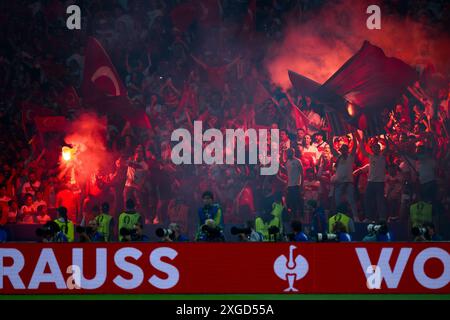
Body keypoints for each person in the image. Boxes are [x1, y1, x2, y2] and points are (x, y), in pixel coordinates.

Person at [358, 134, 388, 221]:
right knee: (367, 199)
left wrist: (385, 137)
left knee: (380, 201)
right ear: (372, 149)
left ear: (379, 148)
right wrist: (363, 138)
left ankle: (382, 218)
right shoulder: (370, 156)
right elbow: (362, 150)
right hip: (370, 182)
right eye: (374, 148)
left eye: (377, 147)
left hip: (380, 182)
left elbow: (388, 147)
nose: (375, 149)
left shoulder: (382, 156)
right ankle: (368, 217)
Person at [329, 132, 358, 219]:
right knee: (338, 201)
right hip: (339, 182)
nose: (344, 150)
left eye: (345, 149)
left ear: (347, 150)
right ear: (341, 150)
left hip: (349, 182)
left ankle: (356, 217)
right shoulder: (338, 157)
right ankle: (339, 217)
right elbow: (332, 148)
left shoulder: (351, 156)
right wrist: (331, 137)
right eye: (342, 149)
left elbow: (355, 147)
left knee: (351, 201)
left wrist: (354, 135)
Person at [285, 148, 304, 220]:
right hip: (290, 186)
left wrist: (301, 185)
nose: (288, 154)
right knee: (291, 204)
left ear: (293, 153)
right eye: (287, 153)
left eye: (289, 153)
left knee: (297, 203)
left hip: (296, 185)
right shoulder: (287, 162)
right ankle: (293, 219)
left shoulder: (298, 161)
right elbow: (288, 174)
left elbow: (302, 174)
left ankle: (299, 218)